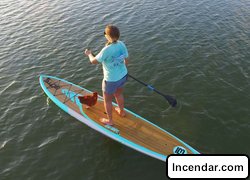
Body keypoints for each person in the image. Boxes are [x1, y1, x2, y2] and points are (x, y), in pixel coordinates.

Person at [84, 25, 129, 126]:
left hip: (111, 80)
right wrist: (121, 69)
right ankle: (121, 111)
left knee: (107, 101)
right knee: (119, 94)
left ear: (108, 36)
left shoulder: (106, 50)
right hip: (123, 76)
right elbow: (127, 60)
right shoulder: (121, 44)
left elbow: (93, 61)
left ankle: (110, 121)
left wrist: (89, 54)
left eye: (105, 34)